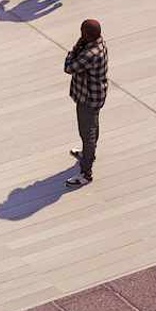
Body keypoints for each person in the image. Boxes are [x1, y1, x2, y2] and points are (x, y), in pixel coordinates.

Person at [63, 19, 107, 187]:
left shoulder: (90, 54)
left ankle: (86, 173)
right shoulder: (100, 43)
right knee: (93, 127)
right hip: (96, 94)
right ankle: (90, 154)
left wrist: (73, 50)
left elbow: (69, 67)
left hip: (88, 98)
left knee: (87, 132)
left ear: (86, 34)